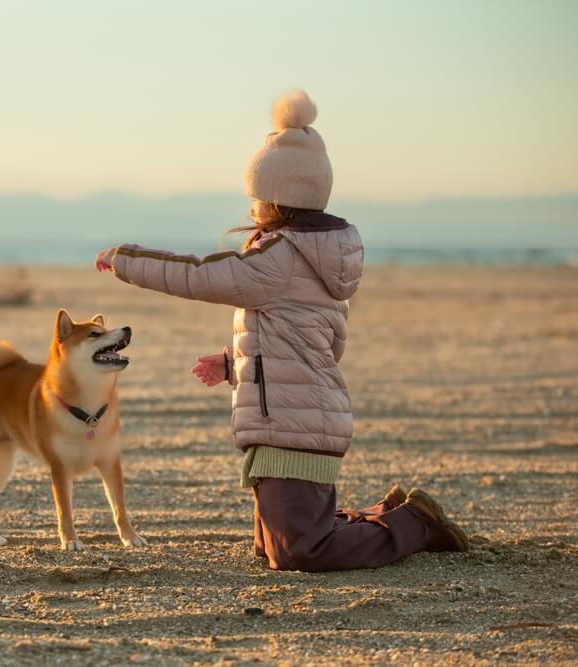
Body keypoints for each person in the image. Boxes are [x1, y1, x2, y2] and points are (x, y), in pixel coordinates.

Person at [94, 90, 467, 571]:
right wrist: (234, 363)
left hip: (294, 428)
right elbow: (312, 342)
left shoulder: (279, 258)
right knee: (274, 550)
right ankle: (388, 513)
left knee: (301, 552)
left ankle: (414, 524)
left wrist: (124, 258)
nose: (251, 208)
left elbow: (199, 274)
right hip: (297, 419)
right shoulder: (315, 258)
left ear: (275, 198)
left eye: (256, 196)